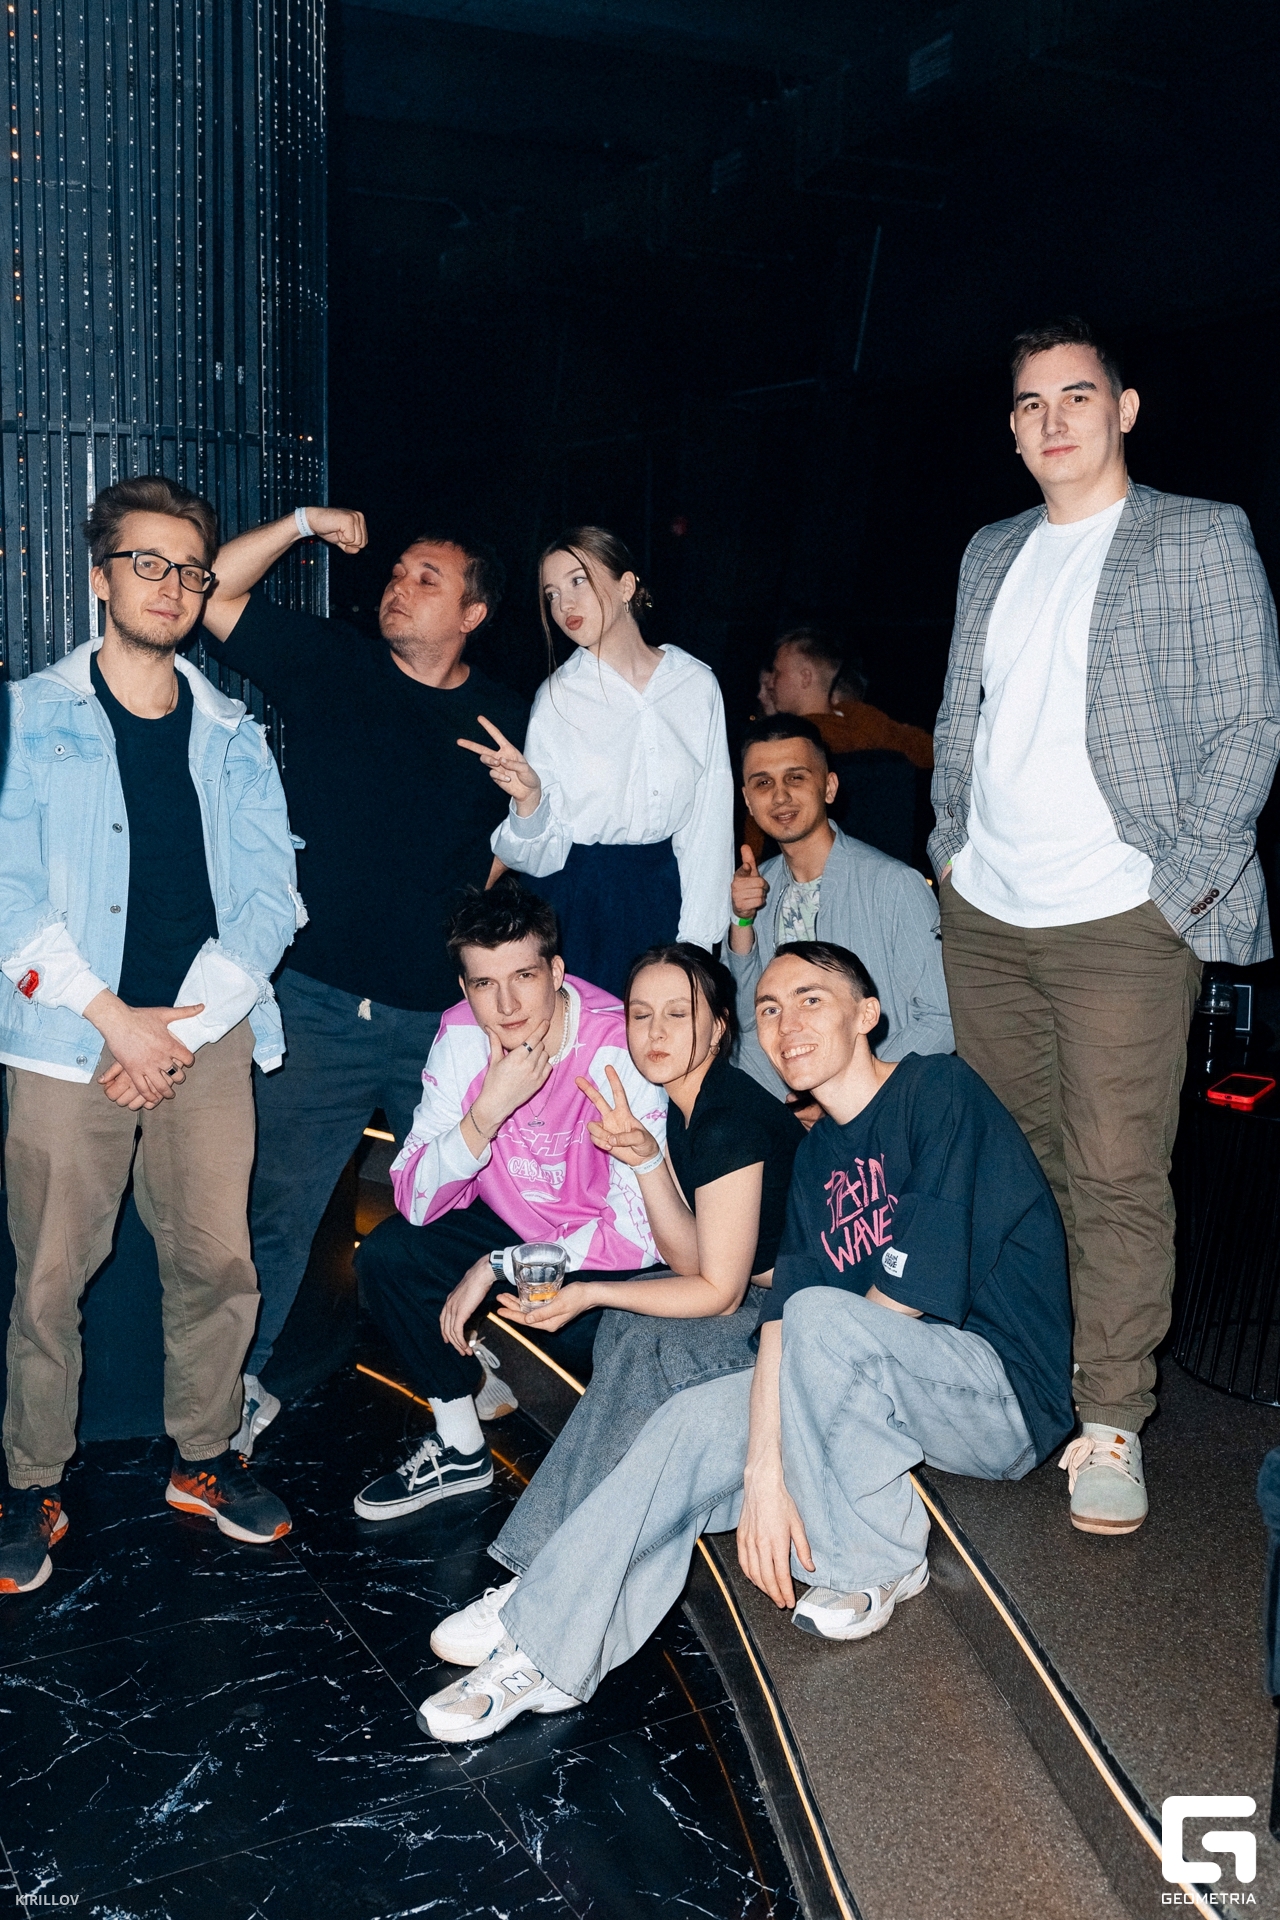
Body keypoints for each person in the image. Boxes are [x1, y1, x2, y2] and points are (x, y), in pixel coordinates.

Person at [416, 941, 1072, 1742]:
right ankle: (542, 1652)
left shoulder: (937, 1090)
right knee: (685, 1425)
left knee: (819, 1319)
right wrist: (764, 1470)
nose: (786, 1023)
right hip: (864, 1387)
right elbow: (780, 1326)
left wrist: (781, 1459)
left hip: (994, 1393)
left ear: (867, 1015)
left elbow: (882, 1307)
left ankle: (879, 1557)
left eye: (810, 1000)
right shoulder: (820, 1155)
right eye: (771, 1008)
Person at [931, 315, 1280, 1535]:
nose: (1053, 420)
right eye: (1030, 404)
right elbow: (963, 716)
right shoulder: (989, 551)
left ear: (1122, 409)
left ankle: (1111, 1418)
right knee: (1017, 1170)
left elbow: (1249, 723)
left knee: (1116, 1171)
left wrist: (1175, 889)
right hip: (987, 911)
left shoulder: (1197, 534)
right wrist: (948, 852)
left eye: (1075, 396)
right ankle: (1034, 1376)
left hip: (1120, 917)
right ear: (1011, 428)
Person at [0, 476, 301, 1594]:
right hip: (66, 1031)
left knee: (218, 1261)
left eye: (189, 569)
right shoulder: (27, 717)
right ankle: (30, 1480)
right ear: (99, 577)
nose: (170, 585)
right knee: (48, 1276)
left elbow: (272, 897)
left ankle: (206, 1456)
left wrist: (181, 1027)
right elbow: (7, 889)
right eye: (146, 562)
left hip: (203, 1036)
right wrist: (111, 1019)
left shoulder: (234, 734)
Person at [200, 507, 527, 1455]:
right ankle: (239, 1392)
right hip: (318, 1005)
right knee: (276, 1211)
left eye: (428, 578)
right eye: (397, 572)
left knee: (465, 1201)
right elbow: (210, 590)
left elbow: (517, 843)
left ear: (473, 613)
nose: (398, 586)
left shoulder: (504, 716)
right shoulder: (334, 664)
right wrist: (302, 523)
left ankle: (457, 1354)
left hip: (440, 1020)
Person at [432, 942, 804, 1620]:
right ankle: (552, 1572)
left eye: (678, 1014)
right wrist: (647, 1159)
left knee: (641, 1340)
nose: (655, 1033)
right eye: (640, 1014)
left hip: (806, 1320)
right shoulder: (685, 1105)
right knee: (631, 1333)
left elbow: (718, 1291)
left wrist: (590, 1291)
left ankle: (538, 1584)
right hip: (766, 1298)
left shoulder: (727, 1117)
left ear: (719, 1027)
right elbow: (693, 1261)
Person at [350, 878, 669, 1520]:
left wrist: (500, 1265)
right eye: (483, 984)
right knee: (388, 1257)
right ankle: (460, 1448)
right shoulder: (461, 1036)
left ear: (557, 972)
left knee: (616, 1347)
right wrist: (487, 1111)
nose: (506, 1004)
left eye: (524, 976)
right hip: (513, 1225)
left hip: (602, 1248)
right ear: (464, 988)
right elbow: (414, 1198)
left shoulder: (616, 1044)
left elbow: (642, 1231)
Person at [457, 526, 733, 996]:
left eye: (578, 581)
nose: (564, 604)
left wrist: (700, 941)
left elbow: (710, 824)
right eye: (551, 594)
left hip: (665, 893)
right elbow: (540, 855)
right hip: (577, 902)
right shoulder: (557, 698)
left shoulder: (695, 684)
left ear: (626, 586)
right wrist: (530, 801)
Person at [728, 716, 952, 1101]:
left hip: (885, 1103)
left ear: (829, 787)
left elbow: (942, 1018)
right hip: (791, 1109)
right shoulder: (755, 889)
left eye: (795, 777)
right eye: (763, 783)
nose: (780, 796)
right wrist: (741, 922)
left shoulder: (894, 885)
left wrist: (853, 1091)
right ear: (748, 800)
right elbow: (746, 1027)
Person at [770, 627, 934, 768]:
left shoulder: (791, 741)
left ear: (805, 678)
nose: (771, 683)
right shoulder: (867, 721)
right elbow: (934, 752)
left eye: (778, 673)